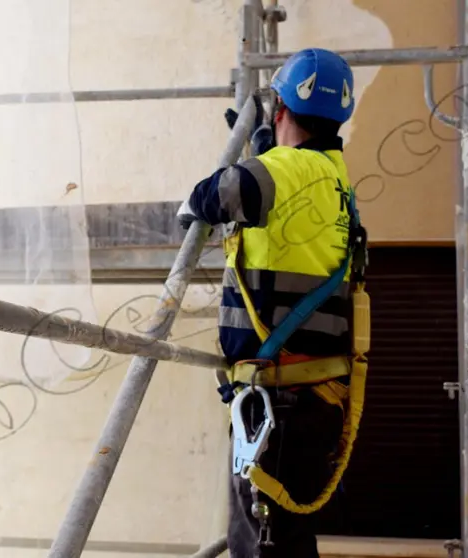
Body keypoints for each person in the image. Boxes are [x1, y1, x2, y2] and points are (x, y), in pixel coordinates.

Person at [177, 48, 370, 558]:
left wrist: (257, 150)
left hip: (278, 406)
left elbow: (214, 195)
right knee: (284, 541)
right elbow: (280, 199)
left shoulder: (285, 169)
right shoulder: (335, 177)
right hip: (307, 399)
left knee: (263, 547)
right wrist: (265, 145)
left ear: (280, 109)